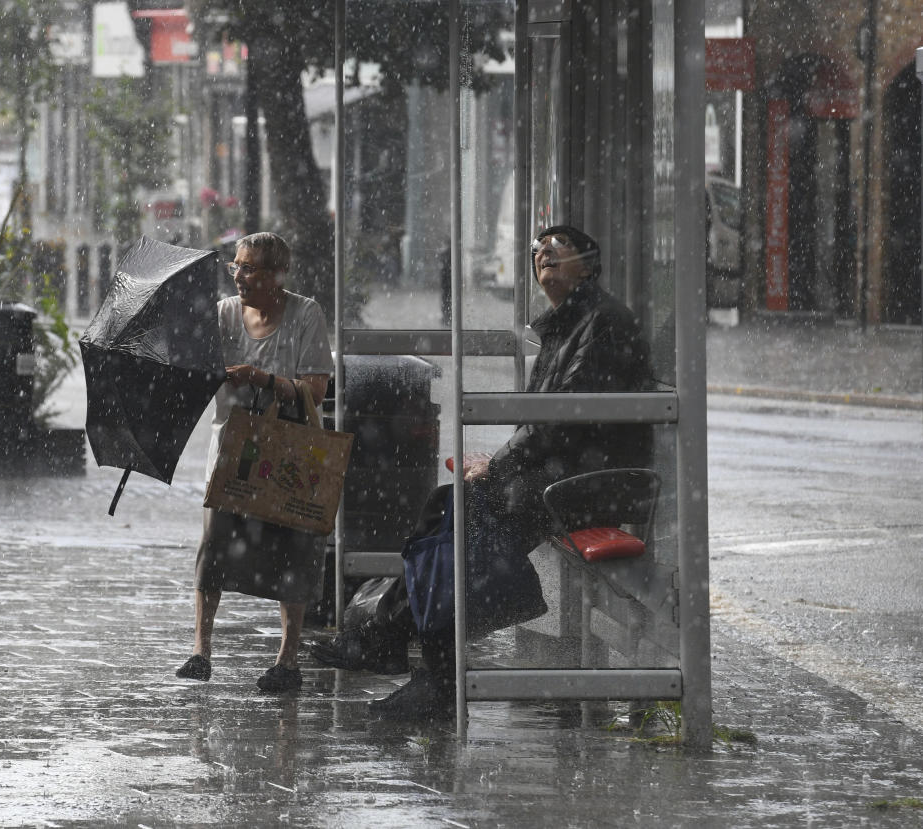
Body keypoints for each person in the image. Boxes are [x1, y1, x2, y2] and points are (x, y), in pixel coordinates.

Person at [314, 225, 653, 719]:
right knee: (448, 507)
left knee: (468, 523)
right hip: (565, 476)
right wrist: (495, 466)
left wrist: (495, 466)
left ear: (589, 264)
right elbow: (546, 424)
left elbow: (561, 419)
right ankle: (400, 644)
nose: (543, 259)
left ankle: (420, 664)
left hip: (592, 484)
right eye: (538, 252)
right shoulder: (568, 322)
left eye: (557, 253)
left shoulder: (601, 323)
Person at [175, 232, 334, 693]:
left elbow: (316, 390)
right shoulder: (223, 315)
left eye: (250, 269)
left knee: (294, 552)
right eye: (236, 268)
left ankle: (288, 659)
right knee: (214, 549)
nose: (240, 277)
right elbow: (195, 371)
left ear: (276, 275)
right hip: (232, 451)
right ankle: (200, 651)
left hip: (290, 454)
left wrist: (261, 378)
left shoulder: (306, 315)